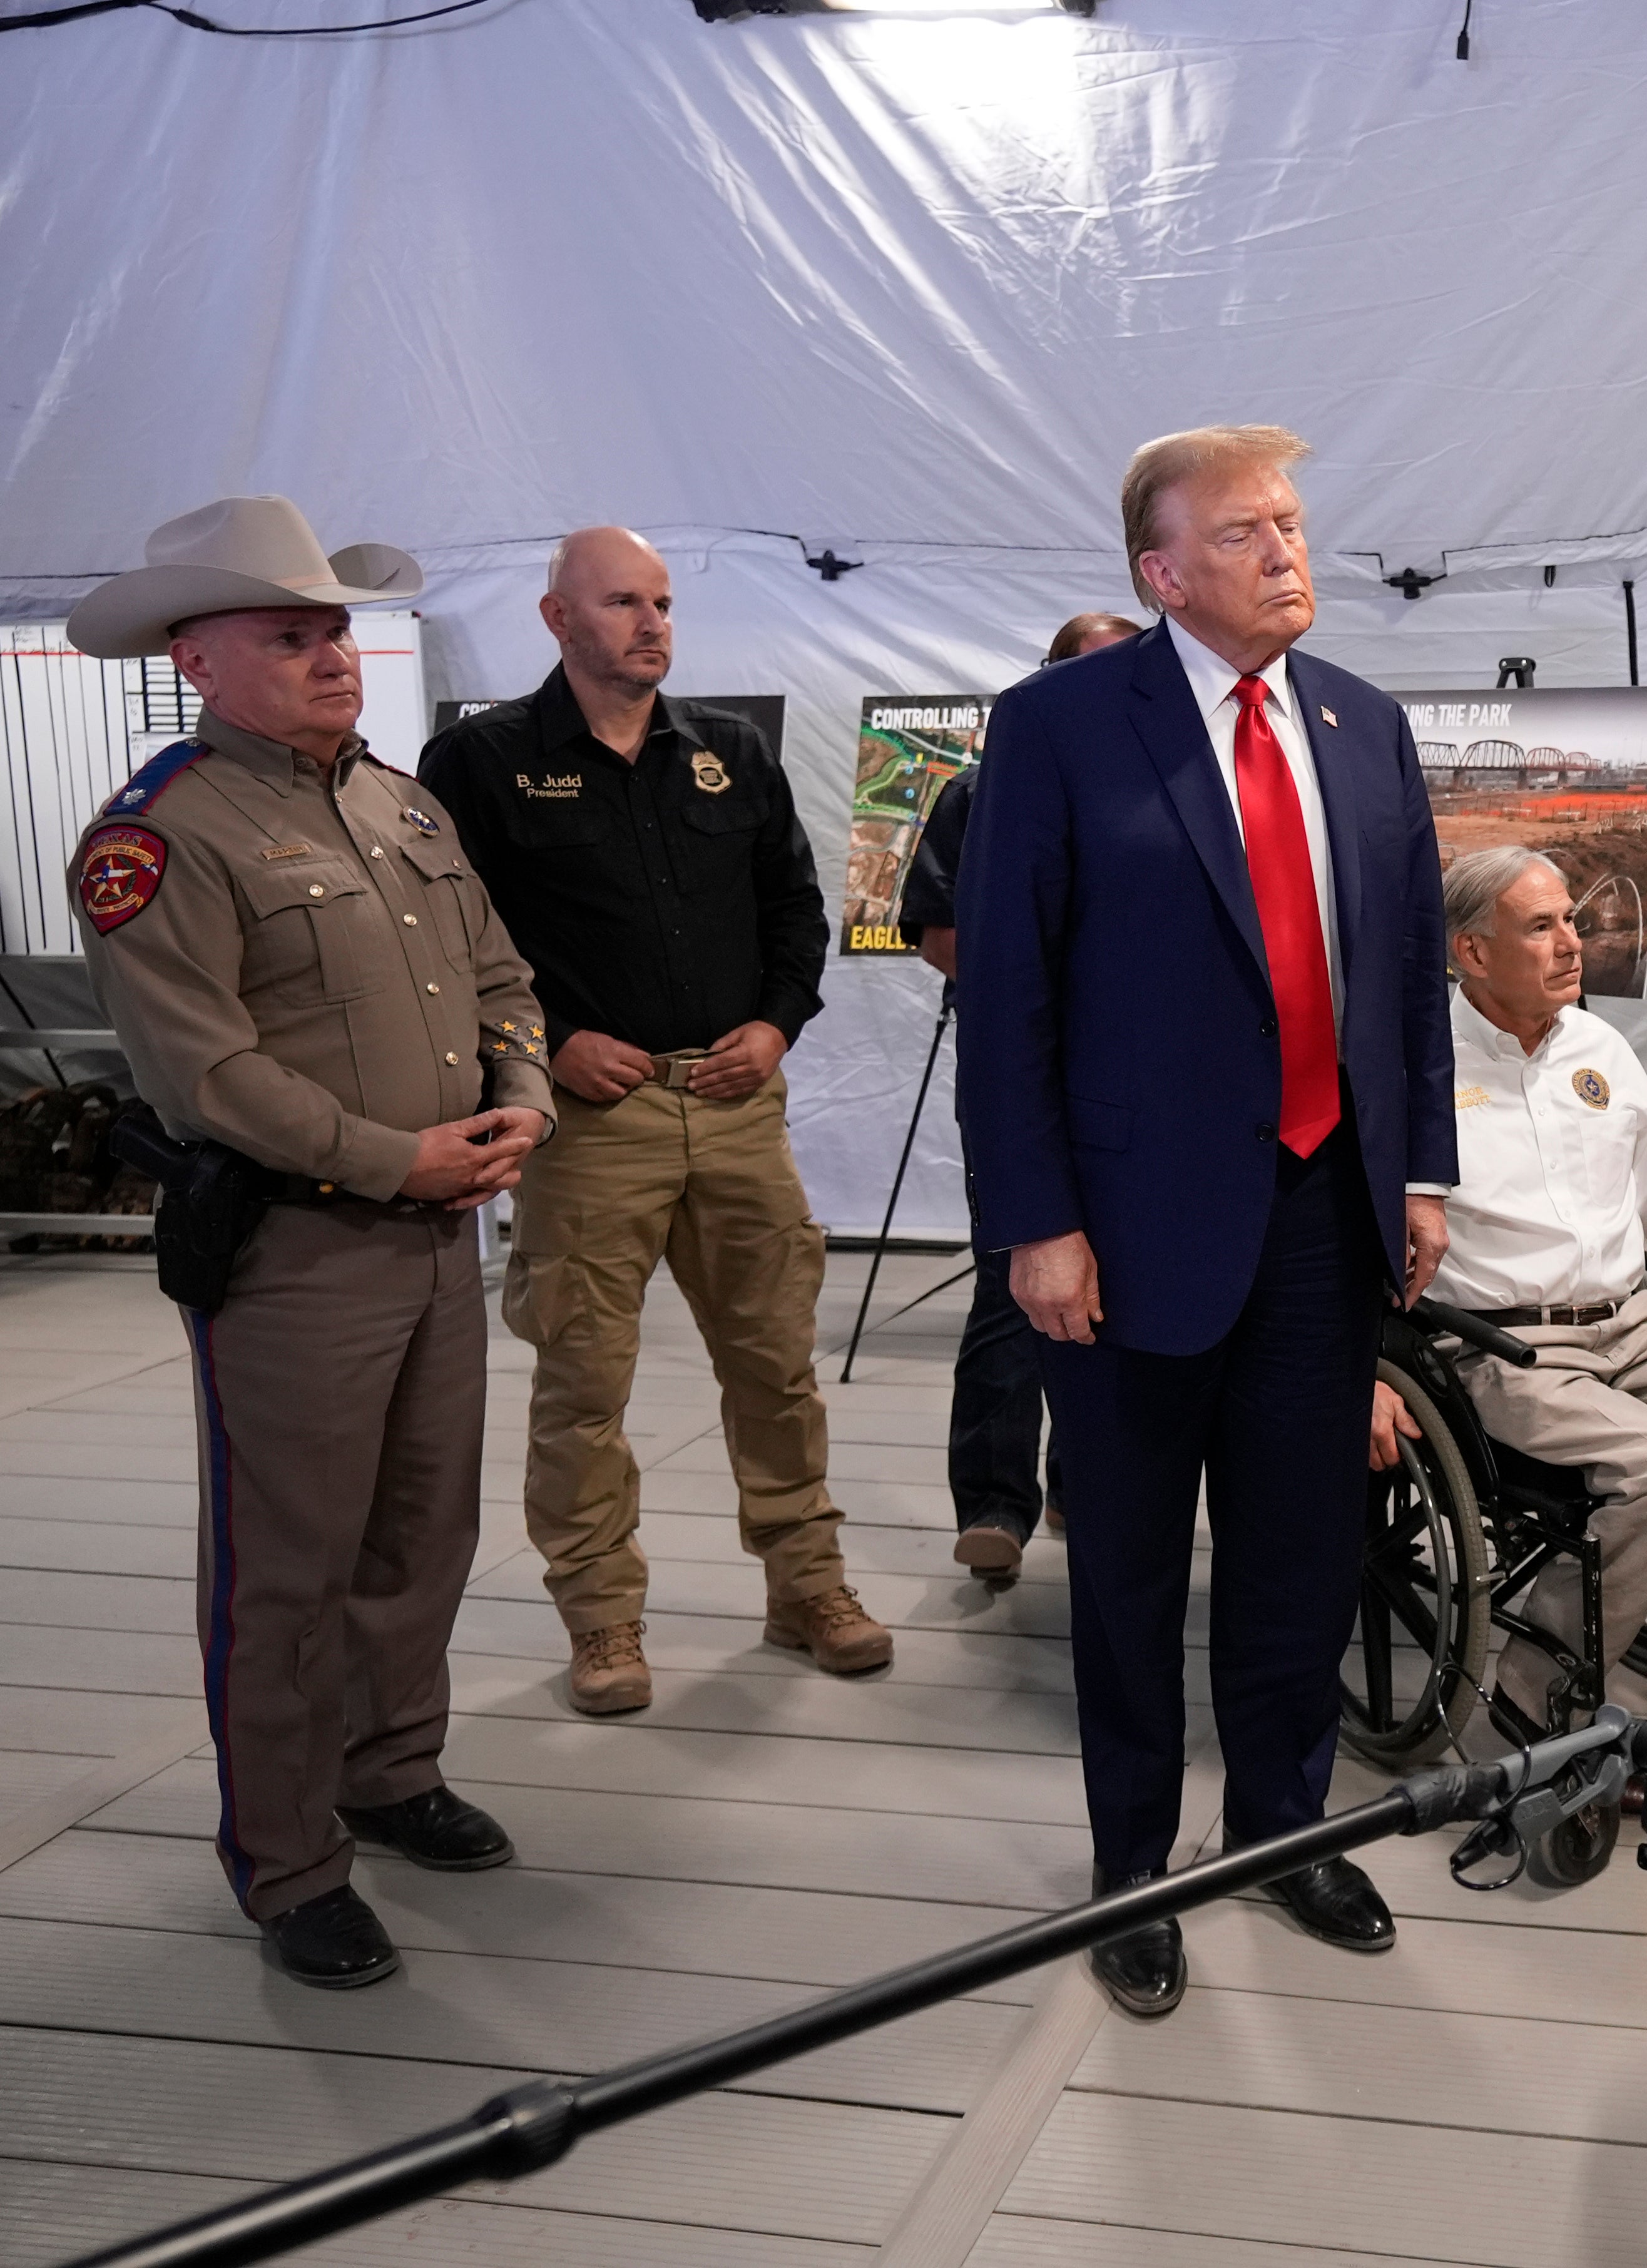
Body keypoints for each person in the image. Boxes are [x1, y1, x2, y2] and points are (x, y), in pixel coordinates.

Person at [958, 424, 1457, 2020]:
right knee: (1122, 1563)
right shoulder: (1057, 732)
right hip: (1122, 1228)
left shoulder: (1363, 727)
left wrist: (1422, 1172)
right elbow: (1009, 1000)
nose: (1287, 550)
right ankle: (1135, 1868)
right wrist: (1035, 1220)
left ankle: (1278, 1829)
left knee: (1304, 1549)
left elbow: (1404, 984)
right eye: (1246, 532)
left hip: (1323, 1211)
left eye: (1295, 523)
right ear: (1160, 572)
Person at [64, 496, 556, 1986]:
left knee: (424, 1532)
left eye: (336, 624)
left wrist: (521, 1094)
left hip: (435, 1239)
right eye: (289, 630)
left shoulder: (406, 805)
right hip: (299, 1254)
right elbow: (204, 1072)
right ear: (195, 659)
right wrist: (394, 1157)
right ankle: (287, 1861)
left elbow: (501, 978)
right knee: (286, 1568)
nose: (332, 649)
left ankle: (391, 1769)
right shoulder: (160, 837)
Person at [419, 528, 885, 1715]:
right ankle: (603, 1619)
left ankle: (806, 1589)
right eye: (624, 601)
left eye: (664, 602)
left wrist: (778, 1025)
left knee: (776, 1367)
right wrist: (553, 1040)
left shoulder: (727, 751)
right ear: (557, 618)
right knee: (584, 1382)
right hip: (589, 1124)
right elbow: (456, 946)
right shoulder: (480, 762)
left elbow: (794, 906)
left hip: (736, 1109)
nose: (653, 623)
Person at [1370, 847, 1647, 1827]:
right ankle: (1533, 1695)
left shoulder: (1600, 1052)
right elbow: (1366, 1228)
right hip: (1503, 1348)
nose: (1576, 943)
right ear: (1472, 952)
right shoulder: (1416, 1064)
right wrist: (1369, 1361)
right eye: (1543, 927)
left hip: (1633, 1323)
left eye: (1572, 920)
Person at [899, 610, 1141, 1579]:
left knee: (1123, 1290)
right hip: (1025, 1075)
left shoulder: (1171, 790)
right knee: (1015, 1283)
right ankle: (996, 1505)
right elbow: (936, 932)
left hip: (1139, 1086)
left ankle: (1086, 1488)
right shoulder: (979, 791)